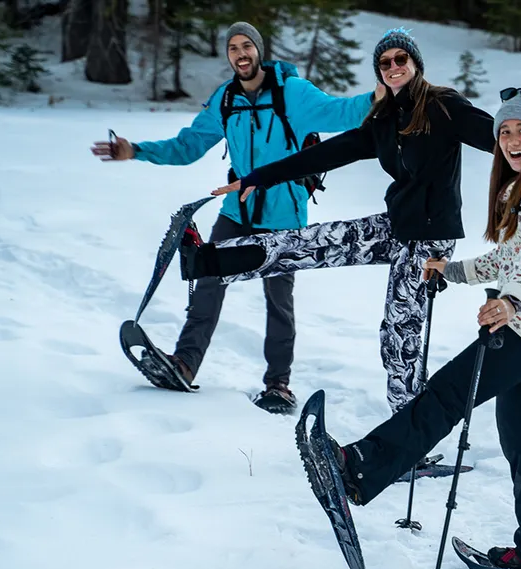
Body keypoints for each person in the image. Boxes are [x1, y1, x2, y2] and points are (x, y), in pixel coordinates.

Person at [189, 28, 521, 414]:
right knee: (310, 242)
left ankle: (410, 436)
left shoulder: (442, 106)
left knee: (399, 337)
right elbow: (327, 154)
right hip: (395, 226)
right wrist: (259, 178)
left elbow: (500, 136)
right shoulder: (385, 120)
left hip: (429, 241)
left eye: (400, 58)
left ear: (415, 63)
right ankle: (206, 260)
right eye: (384, 63)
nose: (392, 66)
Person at [318, 86, 521, 569]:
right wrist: (455, 270)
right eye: (504, 130)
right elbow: (515, 256)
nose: (511, 139)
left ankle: (359, 467)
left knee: (445, 395)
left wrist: (510, 300)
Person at [90, 22, 381, 413]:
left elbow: (339, 111)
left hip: (284, 214)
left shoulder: (291, 93)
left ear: (259, 51)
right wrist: (136, 150)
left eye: (247, 46)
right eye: (233, 48)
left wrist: (379, 95)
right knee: (208, 280)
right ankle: (184, 364)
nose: (240, 53)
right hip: (236, 211)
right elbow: (188, 145)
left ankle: (278, 384)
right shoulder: (225, 99)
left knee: (279, 299)